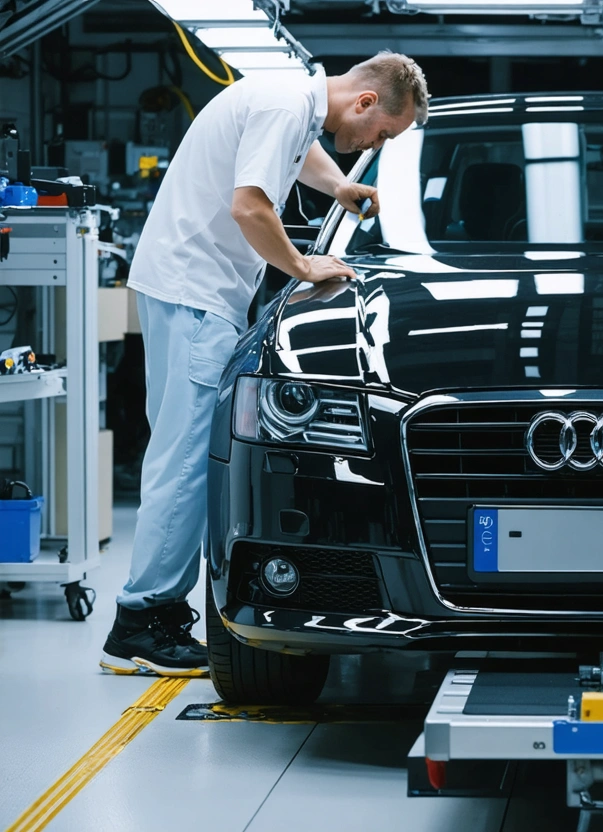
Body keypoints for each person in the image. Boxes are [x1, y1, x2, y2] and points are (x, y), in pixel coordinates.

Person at [100, 52, 429, 677]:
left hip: (183, 288)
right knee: (188, 459)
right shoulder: (285, 105)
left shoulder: (292, 104)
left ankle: (158, 610)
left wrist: (337, 187)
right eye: (382, 134)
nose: (374, 145)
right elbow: (251, 206)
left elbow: (292, 156)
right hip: (197, 294)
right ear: (364, 103)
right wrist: (303, 266)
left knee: (179, 453)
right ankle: (141, 618)